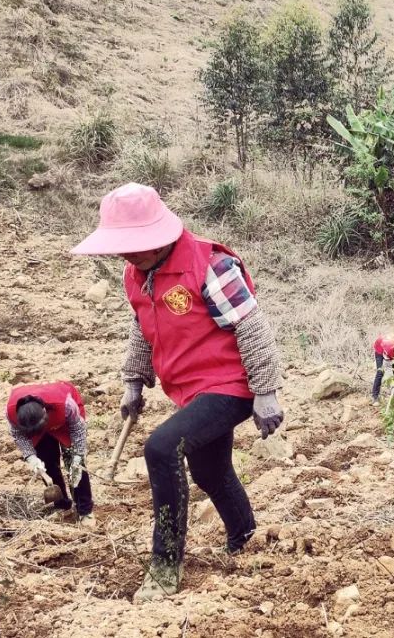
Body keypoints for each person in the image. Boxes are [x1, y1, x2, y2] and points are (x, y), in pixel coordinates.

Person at [72, 183, 285, 603]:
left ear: (159, 236)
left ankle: (166, 564)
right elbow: (142, 326)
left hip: (231, 385)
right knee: (210, 471)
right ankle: (246, 537)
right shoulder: (136, 274)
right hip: (190, 390)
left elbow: (251, 325)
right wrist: (133, 379)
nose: (126, 255)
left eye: (133, 246)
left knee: (162, 447)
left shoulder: (211, 266)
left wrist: (265, 391)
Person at [6, 381, 94, 524]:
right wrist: (31, 458)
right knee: (47, 463)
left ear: (45, 412)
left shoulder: (65, 404)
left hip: (65, 424)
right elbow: (19, 436)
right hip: (35, 430)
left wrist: (78, 455)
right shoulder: (12, 413)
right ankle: (61, 505)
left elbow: (78, 430)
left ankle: (85, 510)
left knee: (75, 467)